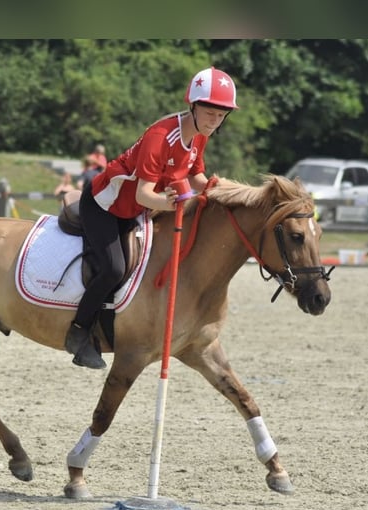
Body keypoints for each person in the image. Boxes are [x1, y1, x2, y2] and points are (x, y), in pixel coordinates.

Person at [64, 66, 239, 369]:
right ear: (194, 106)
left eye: (221, 115)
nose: (215, 120)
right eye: (210, 112)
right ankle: (78, 332)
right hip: (106, 204)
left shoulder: (199, 136)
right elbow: (145, 194)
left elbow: (196, 175)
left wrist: (215, 191)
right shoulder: (161, 137)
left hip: (138, 207)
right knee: (114, 268)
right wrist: (174, 205)